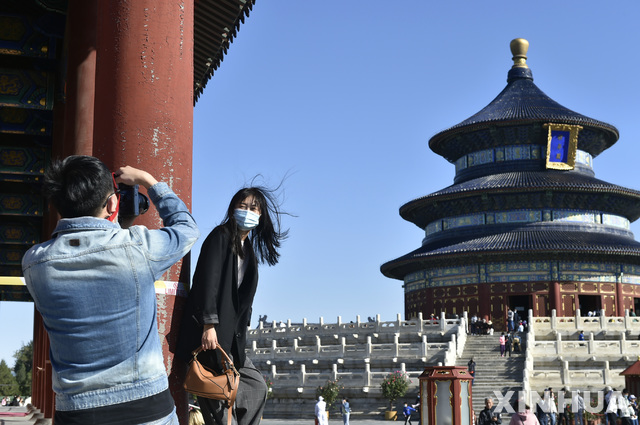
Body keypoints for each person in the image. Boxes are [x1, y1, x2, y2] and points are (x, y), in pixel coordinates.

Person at [21, 155, 199, 424]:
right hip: (146, 407)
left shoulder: (35, 263)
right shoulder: (138, 248)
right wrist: (147, 181)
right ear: (113, 202)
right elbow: (186, 229)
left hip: (76, 412)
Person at [178, 185, 288, 425]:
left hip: (232, 341)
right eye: (242, 206)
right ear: (232, 208)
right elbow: (207, 281)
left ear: (261, 216)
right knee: (216, 396)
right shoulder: (221, 236)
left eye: (253, 208)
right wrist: (208, 324)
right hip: (211, 336)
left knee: (256, 386)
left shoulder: (248, 251)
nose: (247, 211)